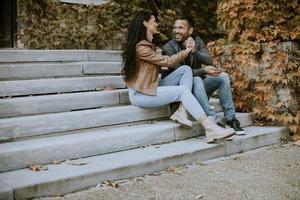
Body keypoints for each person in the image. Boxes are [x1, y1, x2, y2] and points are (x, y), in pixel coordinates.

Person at [122, 10, 235, 143]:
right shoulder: (141, 48)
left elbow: (165, 61)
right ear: (145, 23)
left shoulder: (148, 45)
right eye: (154, 21)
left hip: (151, 88)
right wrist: (187, 51)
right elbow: (168, 62)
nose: (157, 24)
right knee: (183, 91)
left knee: (185, 69)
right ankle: (210, 128)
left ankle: (182, 110)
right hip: (140, 94)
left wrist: (193, 51)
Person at [162, 15, 245, 135]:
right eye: (175, 27)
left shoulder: (197, 41)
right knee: (196, 79)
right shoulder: (168, 48)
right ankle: (212, 119)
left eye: (180, 28)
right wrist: (204, 71)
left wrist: (195, 50)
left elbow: (209, 60)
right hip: (183, 94)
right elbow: (181, 72)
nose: (176, 31)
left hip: (199, 90)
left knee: (223, 76)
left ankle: (230, 119)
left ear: (190, 30)